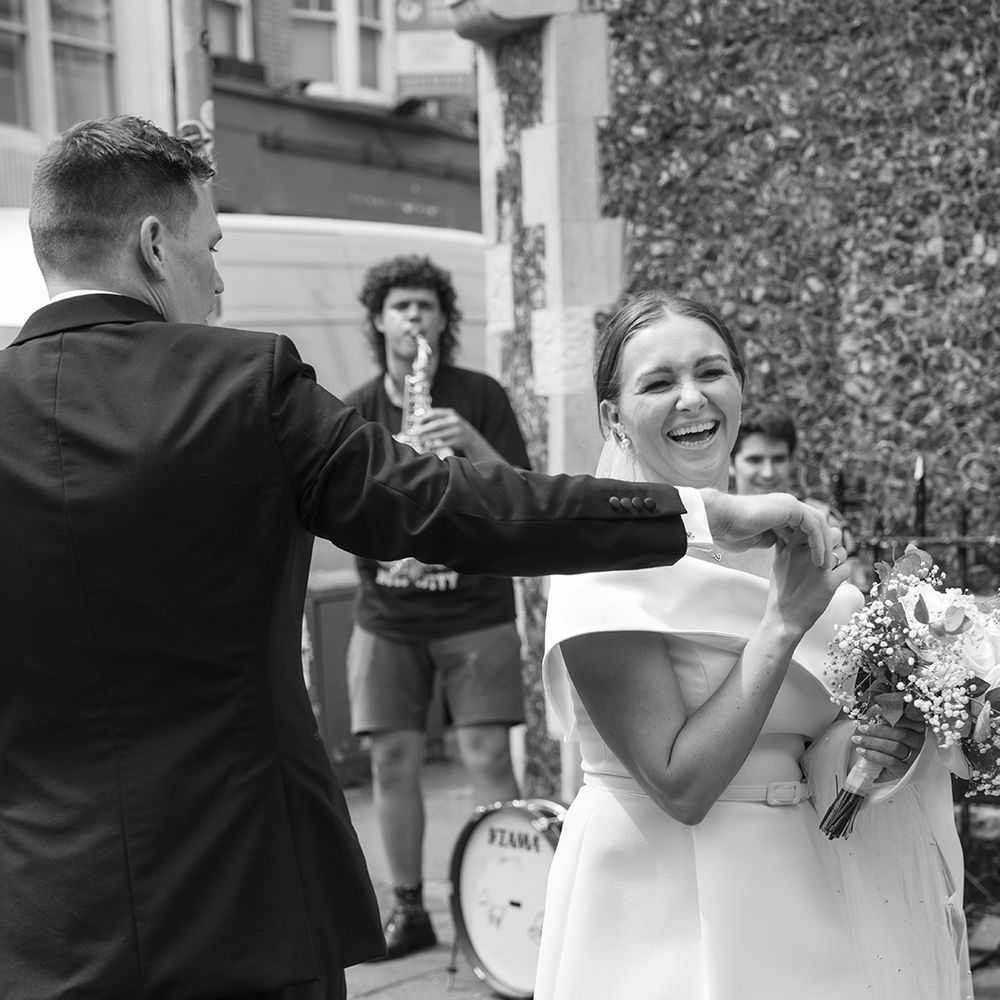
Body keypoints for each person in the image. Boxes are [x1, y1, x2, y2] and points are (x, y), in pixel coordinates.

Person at [0, 116, 835, 1000]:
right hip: (245, 889)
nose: (217, 280)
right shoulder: (241, 384)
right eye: (211, 247)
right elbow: (451, 504)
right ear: (153, 244)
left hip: (40, 913)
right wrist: (699, 512)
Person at [535, 291, 970, 1000]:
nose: (692, 398)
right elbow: (681, 785)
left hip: (799, 883)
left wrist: (876, 747)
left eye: (711, 372)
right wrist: (781, 624)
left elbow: (805, 749)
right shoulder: (598, 561)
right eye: (658, 382)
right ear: (613, 417)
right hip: (659, 896)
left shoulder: (797, 546)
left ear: (739, 387)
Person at [344, 255, 530, 959]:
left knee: (487, 754)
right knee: (391, 760)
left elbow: (525, 491)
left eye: (425, 305)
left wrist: (469, 444)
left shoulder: (479, 396)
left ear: (444, 319)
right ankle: (408, 909)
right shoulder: (358, 405)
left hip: (475, 607)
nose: (413, 317)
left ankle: (507, 910)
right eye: (401, 306)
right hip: (387, 612)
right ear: (378, 320)